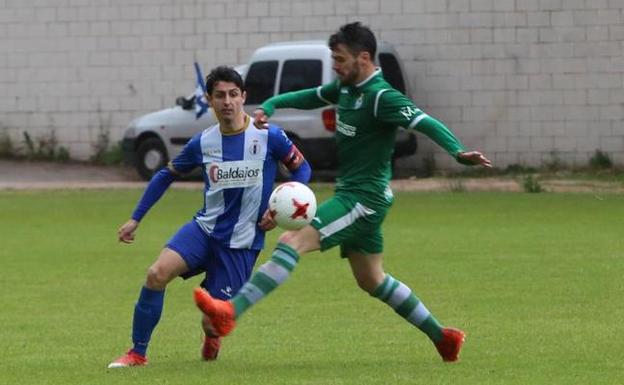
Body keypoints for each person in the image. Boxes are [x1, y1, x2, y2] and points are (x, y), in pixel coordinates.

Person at [193, 22, 492, 362]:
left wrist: (456, 151)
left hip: (363, 200)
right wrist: (273, 104)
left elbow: (424, 121)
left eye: (339, 59)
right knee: (372, 280)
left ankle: (230, 312)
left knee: (290, 242)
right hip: (358, 196)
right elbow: (311, 96)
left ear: (363, 58)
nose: (334, 65)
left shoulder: (382, 97)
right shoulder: (346, 89)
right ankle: (444, 338)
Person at [108, 66, 311, 368]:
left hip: (241, 242)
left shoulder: (270, 137)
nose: (227, 101)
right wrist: (136, 218)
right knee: (156, 274)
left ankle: (212, 336)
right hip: (204, 230)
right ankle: (137, 353)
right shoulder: (202, 142)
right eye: (219, 95)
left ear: (244, 97)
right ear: (209, 100)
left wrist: (279, 208)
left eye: (233, 94)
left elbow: (302, 169)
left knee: (212, 322)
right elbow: (165, 174)